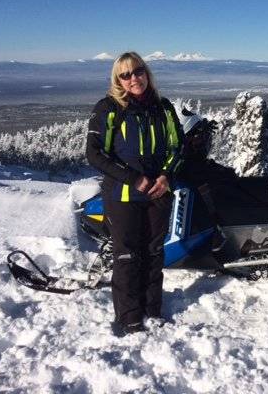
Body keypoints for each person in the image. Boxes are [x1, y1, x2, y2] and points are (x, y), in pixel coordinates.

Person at [86, 51, 183, 336]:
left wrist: (166, 176)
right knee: (127, 256)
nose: (133, 79)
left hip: (158, 193)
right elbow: (95, 154)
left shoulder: (163, 107)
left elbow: (178, 147)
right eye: (125, 75)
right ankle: (129, 319)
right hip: (123, 194)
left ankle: (152, 310)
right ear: (118, 80)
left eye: (138, 71)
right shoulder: (109, 108)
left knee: (154, 253)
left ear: (146, 73)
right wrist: (133, 179)